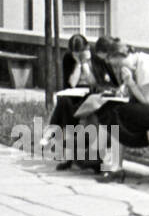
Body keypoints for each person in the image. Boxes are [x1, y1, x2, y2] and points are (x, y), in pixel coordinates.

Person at [89, 37, 149, 183]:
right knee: (111, 111)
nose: (120, 69)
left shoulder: (145, 65)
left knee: (116, 113)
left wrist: (130, 83)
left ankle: (116, 165)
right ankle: (114, 167)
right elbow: (141, 98)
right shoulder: (137, 64)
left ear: (123, 56)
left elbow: (147, 101)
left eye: (119, 64)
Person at [48, 34, 117, 170]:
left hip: (93, 93)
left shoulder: (96, 58)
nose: (78, 55)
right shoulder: (68, 59)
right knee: (64, 102)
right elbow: (71, 83)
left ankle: (55, 134)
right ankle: (70, 150)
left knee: (74, 107)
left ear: (87, 48)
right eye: (76, 54)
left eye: (81, 53)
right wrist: (78, 65)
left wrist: (85, 64)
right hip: (75, 93)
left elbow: (95, 83)